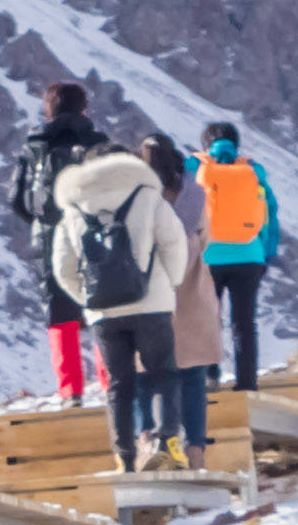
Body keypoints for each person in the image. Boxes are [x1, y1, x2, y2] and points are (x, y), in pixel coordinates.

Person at [40, 130, 192, 458]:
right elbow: (174, 243)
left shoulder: (73, 209)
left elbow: (62, 267)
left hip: (104, 312)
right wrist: (170, 283)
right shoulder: (148, 196)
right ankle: (168, 443)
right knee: (164, 373)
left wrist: (87, 299)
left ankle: (126, 455)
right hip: (152, 304)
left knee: (120, 385)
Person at [0, 80, 114, 399]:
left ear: (48, 109)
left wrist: (40, 222)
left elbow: (15, 198)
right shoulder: (98, 143)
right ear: (84, 108)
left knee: (59, 315)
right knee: (101, 308)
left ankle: (70, 393)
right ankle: (111, 385)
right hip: (92, 236)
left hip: (49, 239)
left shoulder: (34, 145)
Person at [187, 124, 282, 386]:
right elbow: (269, 215)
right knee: (244, 322)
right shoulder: (253, 171)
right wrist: (265, 254)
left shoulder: (195, 168)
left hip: (208, 256)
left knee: (208, 318)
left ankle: (210, 375)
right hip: (249, 254)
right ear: (236, 144)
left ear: (206, 145)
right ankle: (247, 381)